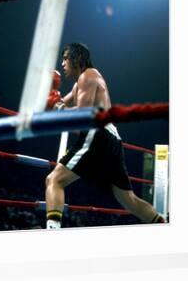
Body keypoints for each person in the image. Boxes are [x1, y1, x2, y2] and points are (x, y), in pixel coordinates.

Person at [44, 43, 165, 229]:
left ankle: (51, 233)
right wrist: (49, 94)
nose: (62, 63)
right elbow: (58, 107)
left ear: (77, 58)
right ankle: (162, 224)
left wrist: (57, 105)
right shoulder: (79, 84)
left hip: (97, 135)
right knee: (128, 200)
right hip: (111, 139)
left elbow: (81, 113)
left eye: (66, 58)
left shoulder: (88, 76)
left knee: (54, 180)